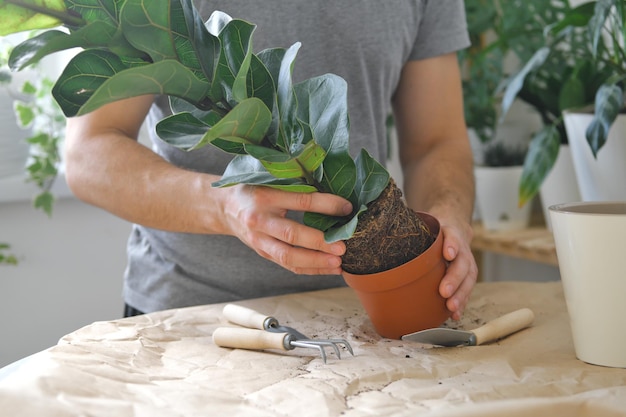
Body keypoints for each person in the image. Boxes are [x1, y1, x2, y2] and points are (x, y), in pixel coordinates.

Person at [64, 1, 477, 321]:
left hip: (367, 317)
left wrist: (450, 218)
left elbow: (435, 142)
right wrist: (223, 208)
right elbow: (89, 153)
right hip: (192, 318)